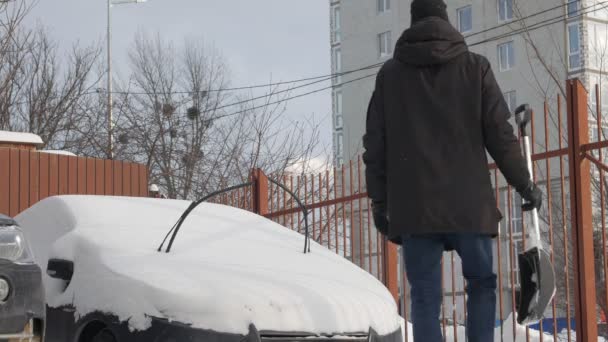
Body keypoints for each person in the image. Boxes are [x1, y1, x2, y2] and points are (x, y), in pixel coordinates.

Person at [362, 1, 543, 341]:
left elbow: (375, 146)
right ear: (447, 20)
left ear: (413, 23)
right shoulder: (476, 68)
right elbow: (501, 136)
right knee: (481, 284)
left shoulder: (390, 76)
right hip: (470, 207)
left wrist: (379, 202)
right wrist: (525, 185)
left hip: (415, 209)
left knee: (425, 297)